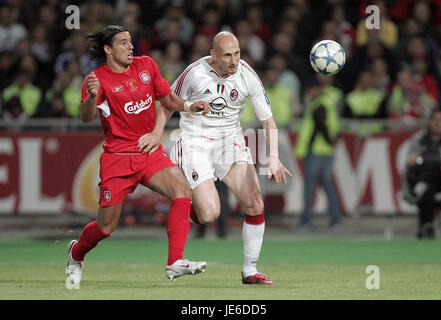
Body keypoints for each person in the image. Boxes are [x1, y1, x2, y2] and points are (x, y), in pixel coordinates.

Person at [66, 25, 211, 287]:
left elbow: (167, 98)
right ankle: (76, 253)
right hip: (118, 157)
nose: (130, 47)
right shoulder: (98, 78)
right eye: (123, 43)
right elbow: (86, 117)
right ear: (109, 50)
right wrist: (91, 96)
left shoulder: (146, 65)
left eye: (130, 41)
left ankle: (174, 262)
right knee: (106, 228)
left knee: (182, 190)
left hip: (149, 151)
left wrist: (190, 106)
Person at [149, 31, 292, 285]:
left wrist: (274, 157)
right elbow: (168, 103)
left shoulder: (247, 75)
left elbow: (268, 120)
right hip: (195, 142)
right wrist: (156, 135)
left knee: (255, 203)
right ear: (213, 55)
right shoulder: (194, 72)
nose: (234, 60)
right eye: (227, 55)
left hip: (231, 142)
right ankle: (179, 204)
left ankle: (250, 270)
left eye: (237, 53)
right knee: (209, 215)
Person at [295, 77, 341, 228]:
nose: (310, 92)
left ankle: (305, 219)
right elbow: (330, 126)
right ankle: (335, 218)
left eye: (312, 89)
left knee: (309, 187)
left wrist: (309, 147)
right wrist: (331, 142)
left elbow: (320, 128)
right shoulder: (326, 104)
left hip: (316, 151)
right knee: (328, 186)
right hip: (325, 151)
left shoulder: (318, 106)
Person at [405, 108, 441, 239]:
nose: (438, 123)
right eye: (435, 120)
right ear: (429, 122)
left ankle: (426, 223)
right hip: (424, 177)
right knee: (429, 176)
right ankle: (428, 225)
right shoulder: (419, 138)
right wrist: (434, 162)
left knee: (429, 176)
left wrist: (424, 160)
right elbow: (411, 160)